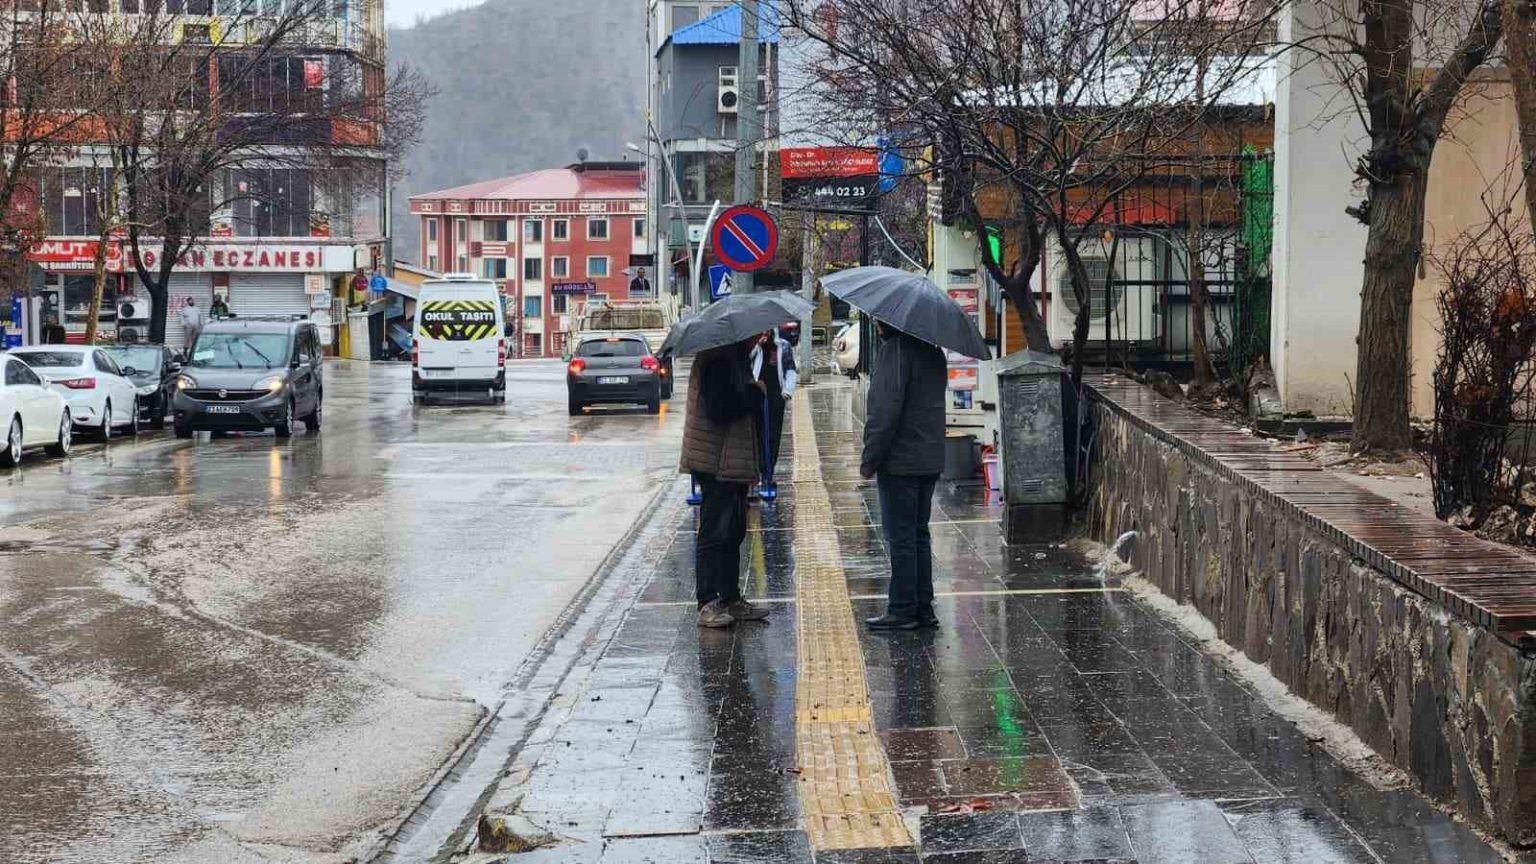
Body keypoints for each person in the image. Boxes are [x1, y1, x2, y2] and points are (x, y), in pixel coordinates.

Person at [861, 321, 947, 630]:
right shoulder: (933, 352)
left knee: (901, 537)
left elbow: (884, 412)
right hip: (929, 458)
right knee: (919, 533)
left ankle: (902, 609)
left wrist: (870, 459)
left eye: (877, 321)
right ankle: (923, 607)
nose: (875, 325)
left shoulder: (895, 352)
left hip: (901, 461)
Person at [680, 338, 770, 628]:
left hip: (731, 461)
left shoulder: (734, 355)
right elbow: (720, 408)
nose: (761, 337)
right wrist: (754, 393)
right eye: (757, 334)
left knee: (733, 530)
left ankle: (731, 598)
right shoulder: (718, 359)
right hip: (716, 461)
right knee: (714, 531)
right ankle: (707, 602)